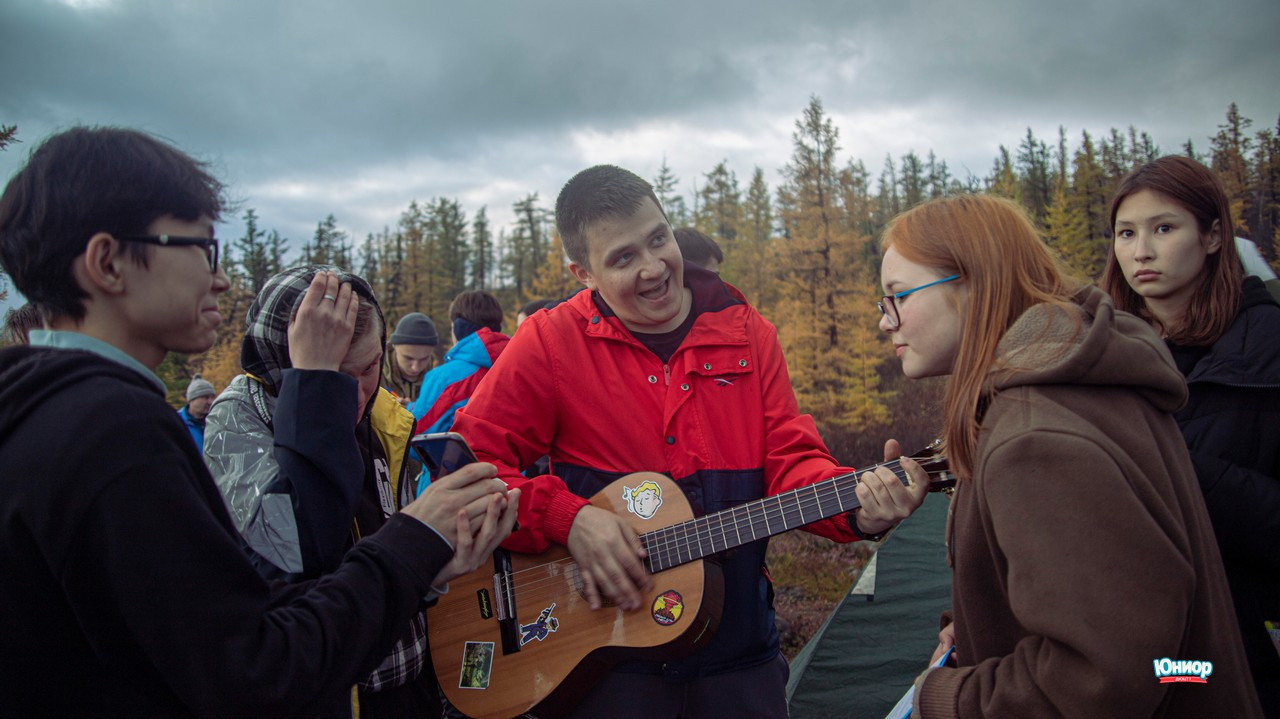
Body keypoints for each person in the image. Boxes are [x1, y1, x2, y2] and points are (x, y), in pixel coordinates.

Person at [0, 125, 518, 716]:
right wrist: (415, 537)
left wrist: (425, 563)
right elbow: (256, 668)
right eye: (201, 248)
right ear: (108, 262)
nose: (219, 278)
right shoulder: (113, 433)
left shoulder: (43, 413)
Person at [450, 164, 927, 719]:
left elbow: (792, 464)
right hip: (606, 667)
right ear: (584, 274)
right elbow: (467, 467)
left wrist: (858, 509)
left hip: (737, 656)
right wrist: (569, 518)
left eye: (660, 239)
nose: (654, 268)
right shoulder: (550, 341)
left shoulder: (748, 334)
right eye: (623, 258)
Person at [873, 194, 1260, 717]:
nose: (886, 322)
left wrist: (946, 698)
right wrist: (979, 625)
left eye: (897, 296)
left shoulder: (1035, 440)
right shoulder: (1077, 377)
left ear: (972, 284)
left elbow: (1104, 675)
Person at [204, 265, 454, 717]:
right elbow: (294, 551)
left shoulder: (384, 414)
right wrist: (316, 392)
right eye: (335, 375)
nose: (356, 394)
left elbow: (384, 533)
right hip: (329, 692)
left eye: (369, 368)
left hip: (409, 678)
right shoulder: (240, 414)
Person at [1102, 155, 1280, 715]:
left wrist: (1174, 466)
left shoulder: (1269, 349)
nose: (1141, 252)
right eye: (1126, 233)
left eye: (1163, 228)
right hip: (1119, 642)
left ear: (1213, 236)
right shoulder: (1093, 355)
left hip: (1237, 648)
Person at [411, 289, 509, 443]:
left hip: (457, 460)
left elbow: (417, 435)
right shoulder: (516, 369)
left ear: (458, 328)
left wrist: (405, 411)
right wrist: (415, 406)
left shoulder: (444, 379)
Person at [383, 311, 441, 408]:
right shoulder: (374, 374)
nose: (415, 367)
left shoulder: (436, 381)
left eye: (424, 359)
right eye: (408, 358)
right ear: (394, 346)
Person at [178, 373, 215, 454]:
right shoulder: (177, 422)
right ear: (192, 399)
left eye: (212, 397)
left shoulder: (217, 421)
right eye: (206, 397)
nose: (210, 402)